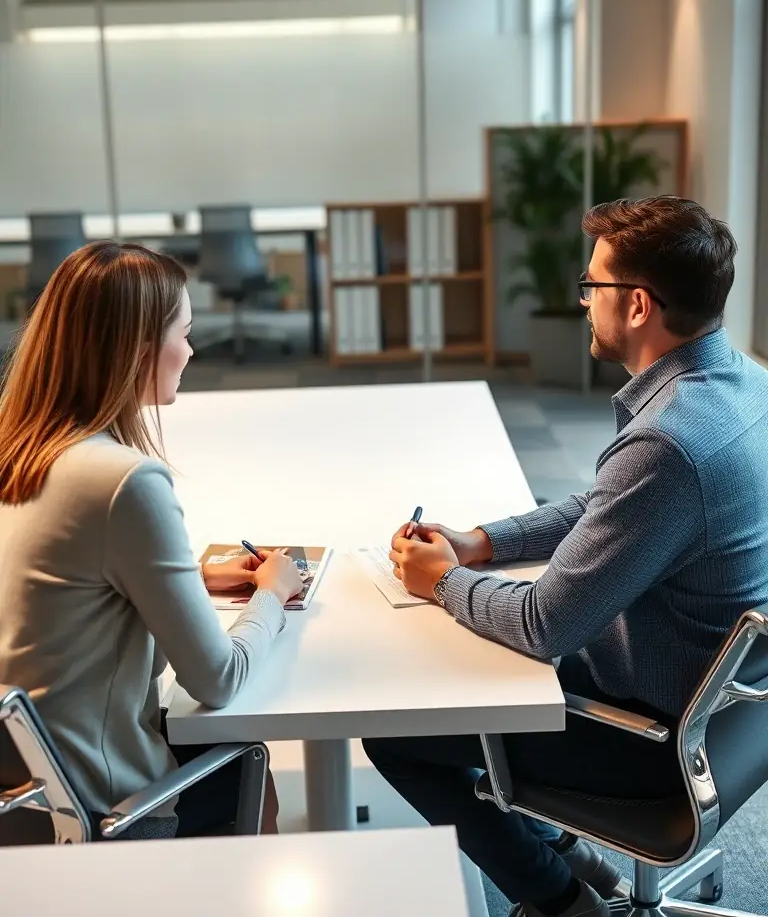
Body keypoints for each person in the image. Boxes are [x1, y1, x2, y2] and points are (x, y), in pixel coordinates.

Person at [363, 197, 768, 917]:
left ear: (637, 305)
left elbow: (546, 624)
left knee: (396, 731)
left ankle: (557, 902)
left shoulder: (670, 442)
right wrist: (483, 543)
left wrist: (442, 582)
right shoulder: (744, 384)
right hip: (726, 715)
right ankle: (566, 851)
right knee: (458, 678)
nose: (582, 302)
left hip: (650, 735)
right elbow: (606, 507)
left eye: (592, 287)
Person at [0, 241, 304, 840]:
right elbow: (217, 679)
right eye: (184, 334)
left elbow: (66, 593)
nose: (190, 352)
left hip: (22, 793)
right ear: (139, 351)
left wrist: (185, 580)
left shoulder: (19, 453)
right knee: (246, 757)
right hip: (102, 800)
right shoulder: (123, 482)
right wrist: (272, 592)